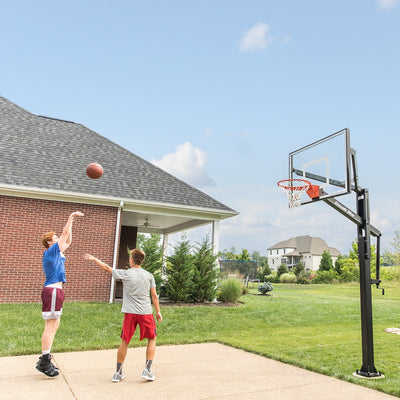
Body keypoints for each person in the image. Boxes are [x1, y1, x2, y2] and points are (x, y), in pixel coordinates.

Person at [84, 249, 162, 383]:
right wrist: (158, 311)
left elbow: (107, 268)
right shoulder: (149, 276)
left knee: (125, 341)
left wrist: (94, 259)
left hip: (130, 313)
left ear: (132, 260)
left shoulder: (126, 274)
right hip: (145, 313)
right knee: (152, 339)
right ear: (141, 260)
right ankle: (147, 370)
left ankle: (118, 373)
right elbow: (154, 295)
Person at [36, 211, 84, 377]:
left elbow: (68, 239)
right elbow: (65, 234)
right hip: (52, 291)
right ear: (50, 242)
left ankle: (45, 357)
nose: (58, 239)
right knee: (50, 326)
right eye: (55, 238)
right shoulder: (50, 252)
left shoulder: (57, 253)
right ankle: (44, 361)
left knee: (55, 325)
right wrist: (71, 217)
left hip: (57, 291)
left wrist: (71, 226)